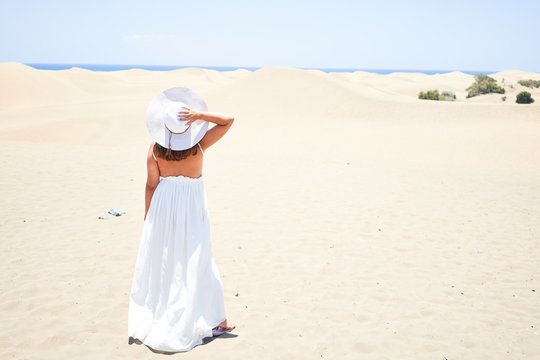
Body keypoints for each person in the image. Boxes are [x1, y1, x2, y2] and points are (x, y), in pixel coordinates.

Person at [128, 87, 235, 353]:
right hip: (191, 208)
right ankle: (217, 320)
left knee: (166, 261)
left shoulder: (154, 150)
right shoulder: (199, 147)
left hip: (163, 207)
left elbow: (151, 185)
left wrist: (148, 216)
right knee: (197, 259)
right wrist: (199, 115)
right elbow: (228, 120)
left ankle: (172, 314)